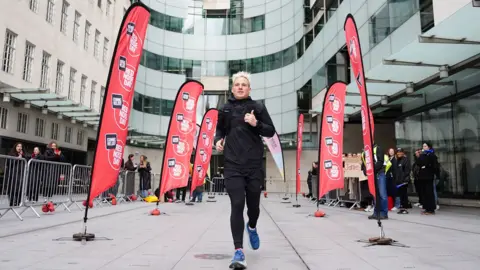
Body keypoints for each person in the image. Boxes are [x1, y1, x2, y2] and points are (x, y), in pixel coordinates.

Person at [214, 71, 275, 269]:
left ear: (249, 89)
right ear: (232, 88)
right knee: (237, 204)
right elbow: (220, 130)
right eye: (237, 84)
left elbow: (270, 130)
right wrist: (218, 141)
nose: (240, 87)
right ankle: (238, 251)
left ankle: (252, 226)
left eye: (244, 84)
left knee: (254, 208)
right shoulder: (225, 109)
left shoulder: (257, 107)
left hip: (254, 164)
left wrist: (255, 123)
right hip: (232, 164)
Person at [362, 142, 390, 220]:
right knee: (375, 195)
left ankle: (384, 213)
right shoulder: (365, 151)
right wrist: (366, 171)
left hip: (379, 173)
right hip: (372, 175)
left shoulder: (378, 148)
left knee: (382, 194)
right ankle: (376, 212)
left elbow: (380, 162)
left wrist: (371, 170)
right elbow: (364, 163)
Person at [416, 142, 439, 215]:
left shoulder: (432, 155)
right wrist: (418, 156)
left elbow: (435, 166)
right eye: (423, 146)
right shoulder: (423, 155)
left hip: (429, 176)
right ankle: (426, 207)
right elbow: (419, 163)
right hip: (422, 176)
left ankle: (431, 209)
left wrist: (432, 172)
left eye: (425, 146)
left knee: (429, 192)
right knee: (424, 192)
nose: (424, 147)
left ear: (428, 147)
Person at [393, 148, 411, 214]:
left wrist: (405, 179)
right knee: (400, 195)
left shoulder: (406, 160)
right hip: (398, 181)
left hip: (403, 180)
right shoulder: (397, 160)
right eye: (398, 152)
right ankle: (402, 207)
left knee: (404, 195)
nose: (399, 153)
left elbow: (407, 171)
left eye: (400, 152)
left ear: (403, 153)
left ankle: (405, 208)